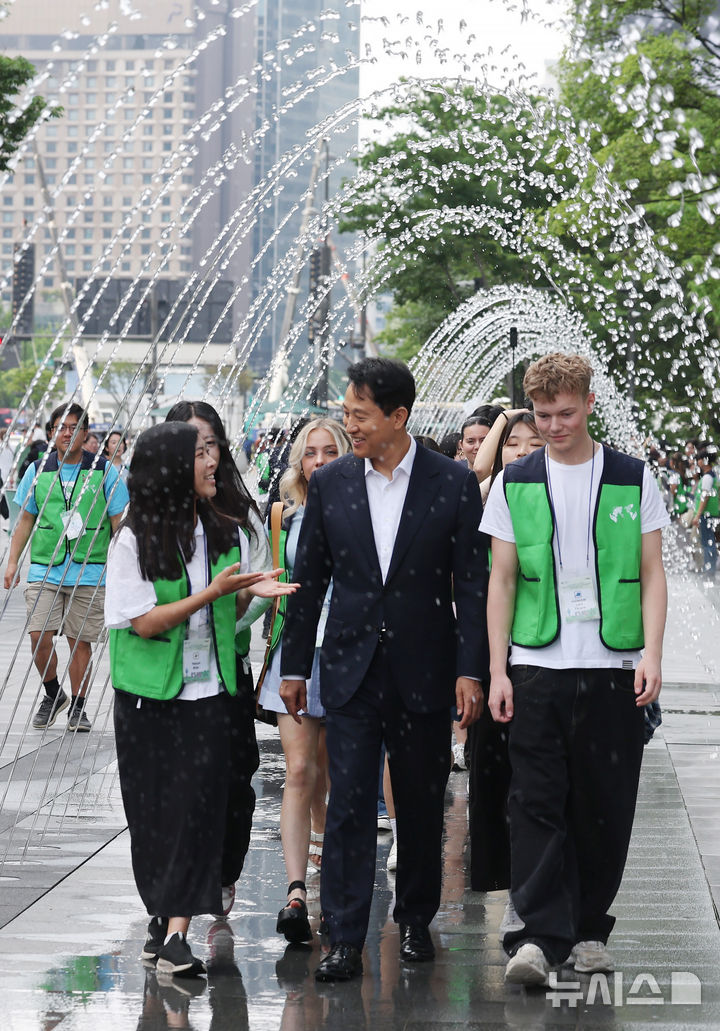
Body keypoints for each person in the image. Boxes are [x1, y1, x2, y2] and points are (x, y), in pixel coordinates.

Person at [279, 357, 489, 981]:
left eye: (360, 415)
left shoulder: (449, 483)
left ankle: (416, 918)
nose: (351, 425)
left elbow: (472, 587)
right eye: (347, 413)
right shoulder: (334, 482)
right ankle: (344, 935)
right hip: (349, 666)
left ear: (399, 417)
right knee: (346, 803)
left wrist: (470, 670)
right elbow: (308, 582)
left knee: (422, 799)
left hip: (426, 665)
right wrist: (294, 667)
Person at [481, 352, 669, 987]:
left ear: (589, 404)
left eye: (565, 413)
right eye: (542, 415)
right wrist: (498, 669)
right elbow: (500, 580)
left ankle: (589, 928)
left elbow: (652, 574)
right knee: (534, 801)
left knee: (605, 804)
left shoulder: (632, 478)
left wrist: (653, 656)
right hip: (537, 664)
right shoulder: (517, 481)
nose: (555, 425)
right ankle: (534, 936)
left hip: (614, 666)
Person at [105, 421, 298, 978]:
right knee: (156, 817)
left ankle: (176, 937)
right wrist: (211, 592)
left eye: (211, 452)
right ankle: (164, 919)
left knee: (199, 812)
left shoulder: (218, 528)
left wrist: (241, 596)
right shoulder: (132, 540)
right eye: (200, 455)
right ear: (171, 469)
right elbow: (143, 622)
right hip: (150, 701)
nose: (214, 463)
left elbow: (223, 616)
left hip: (211, 693)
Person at [257, 418, 351, 944]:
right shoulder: (283, 518)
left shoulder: (359, 511)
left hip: (347, 658)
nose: (318, 461)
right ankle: (295, 891)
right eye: (310, 452)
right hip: (293, 656)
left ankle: (331, 866)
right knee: (299, 772)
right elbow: (269, 588)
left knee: (336, 775)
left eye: (328, 450)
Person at [4, 402, 129, 732]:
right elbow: (26, 520)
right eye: (60, 427)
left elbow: (119, 522)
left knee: (79, 641)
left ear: (86, 433)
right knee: (37, 636)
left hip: (90, 569)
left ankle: (78, 706)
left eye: (74, 427)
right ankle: (52, 693)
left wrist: (123, 568)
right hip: (46, 569)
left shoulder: (103, 470)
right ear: (50, 434)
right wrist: (13, 561)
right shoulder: (38, 469)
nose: (67, 433)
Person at [691, 449, 718, 577]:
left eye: (699, 459)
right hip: (712, 513)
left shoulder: (707, 477)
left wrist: (697, 515)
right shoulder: (714, 476)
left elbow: (705, 497)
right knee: (710, 541)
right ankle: (710, 567)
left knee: (707, 542)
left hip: (706, 514)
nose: (698, 462)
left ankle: (709, 569)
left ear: (705, 460)